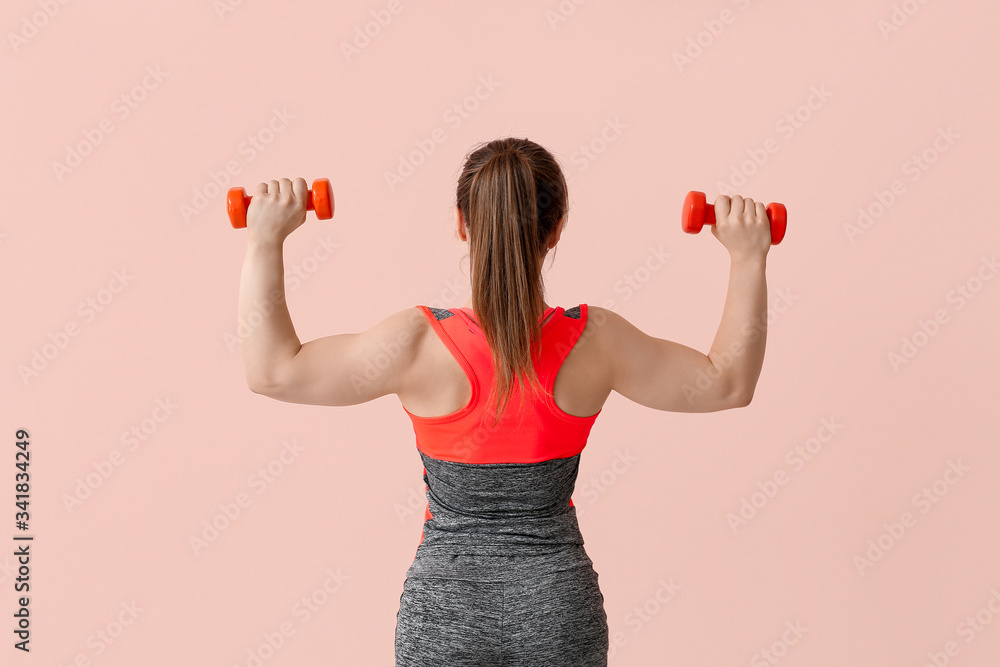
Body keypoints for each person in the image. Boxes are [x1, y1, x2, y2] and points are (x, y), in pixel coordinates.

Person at [237, 137, 772, 666]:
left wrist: (265, 240)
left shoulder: (415, 342)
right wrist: (748, 257)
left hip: (445, 615)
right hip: (557, 613)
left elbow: (273, 372)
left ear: (462, 224)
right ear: (556, 228)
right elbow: (726, 382)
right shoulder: (596, 340)